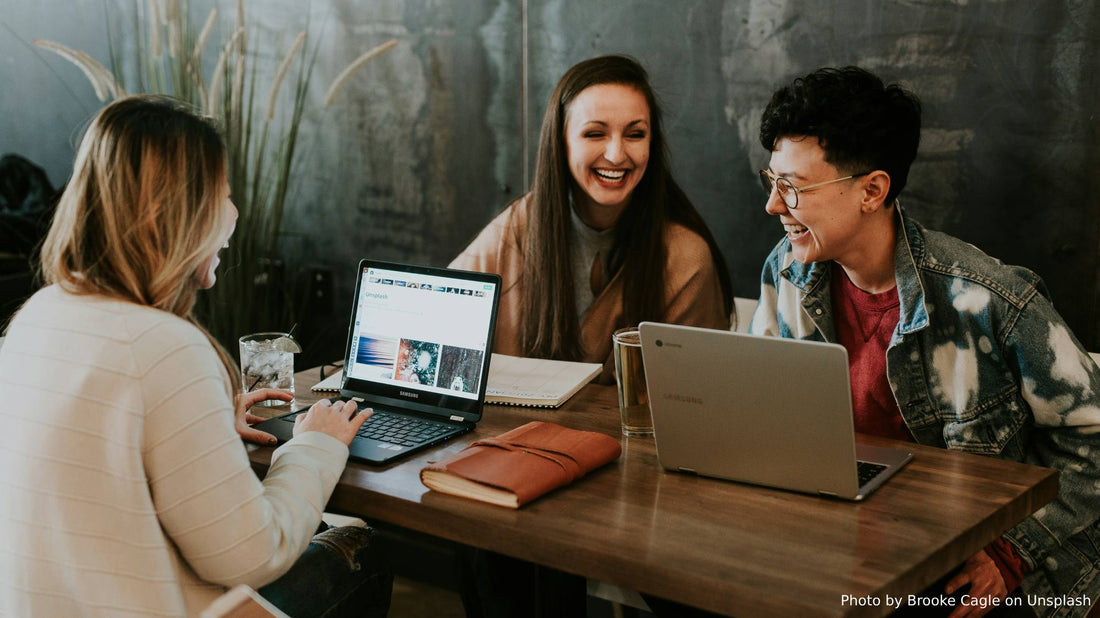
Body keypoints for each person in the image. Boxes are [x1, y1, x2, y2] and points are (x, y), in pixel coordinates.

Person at [0, 95, 392, 617]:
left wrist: (201, 425)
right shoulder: (165, 347)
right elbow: (252, 557)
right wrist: (314, 447)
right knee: (363, 548)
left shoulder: (36, 316)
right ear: (174, 213)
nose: (233, 214)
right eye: (222, 195)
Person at [750, 66, 1099, 618]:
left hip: (965, 563)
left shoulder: (988, 300)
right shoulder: (786, 272)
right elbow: (760, 413)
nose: (773, 205)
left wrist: (1012, 553)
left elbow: (1093, 441)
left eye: (792, 187)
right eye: (771, 180)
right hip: (842, 541)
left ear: (872, 190)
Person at [450, 54, 734, 382]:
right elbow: (435, 320)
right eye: (595, 134)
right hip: (511, 432)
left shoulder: (685, 257)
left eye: (635, 134)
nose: (616, 154)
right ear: (561, 142)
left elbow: (698, 395)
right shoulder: (517, 227)